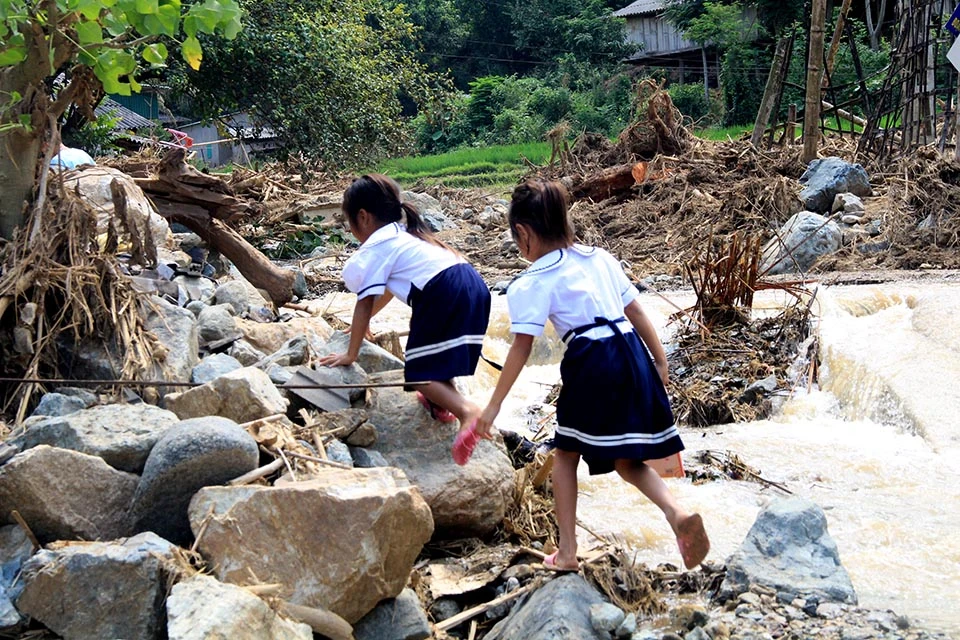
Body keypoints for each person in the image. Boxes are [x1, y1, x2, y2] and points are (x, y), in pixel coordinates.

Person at [474, 179, 709, 572]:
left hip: (593, 358)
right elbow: (636, 311)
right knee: (626, 460)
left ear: (523, 233)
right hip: (632, 351)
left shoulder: (531, 281)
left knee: (566, 454)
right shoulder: (599, 257)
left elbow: (521, 346)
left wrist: (493, 405)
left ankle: (567, 553)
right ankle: (677, 513)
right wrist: (660, 360)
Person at [318, 174, 491, 446]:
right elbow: (386, 291)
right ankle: (441, 404)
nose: (350, 230)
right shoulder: (406, 237)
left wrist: (351, 354)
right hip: (473, 285)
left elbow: (364, 301)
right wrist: (363, 325)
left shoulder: (376, 247)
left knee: (419, 374)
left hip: (441, 291)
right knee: (437, 356)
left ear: (362, 217)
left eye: (348, 222)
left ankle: (467, 411)